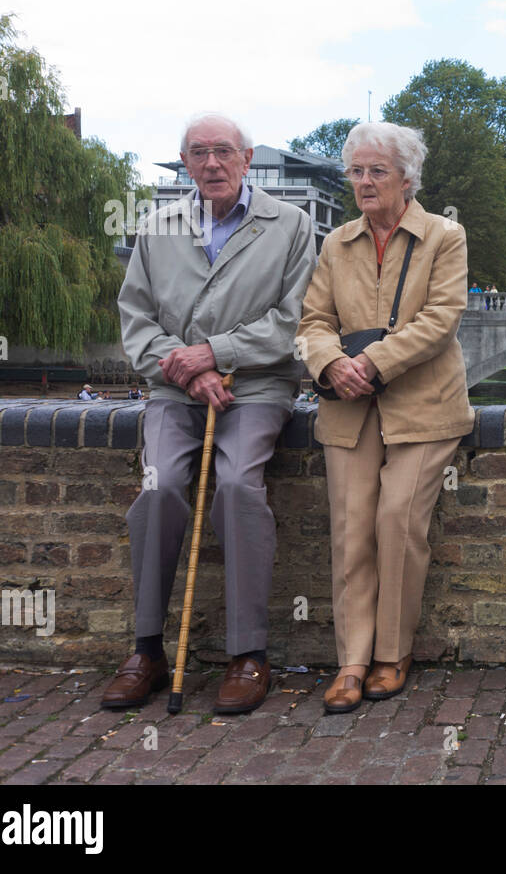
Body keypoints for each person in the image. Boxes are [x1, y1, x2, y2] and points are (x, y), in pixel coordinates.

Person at [104, 113, 316, 714]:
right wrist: (190, 369)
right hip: (175, 390)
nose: (212, 163)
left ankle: (249, 654)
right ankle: (147, 649)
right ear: (185, 162)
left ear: (247, 159)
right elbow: (136, 320)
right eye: (198, 153)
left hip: (254, 387)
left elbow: (293, 319)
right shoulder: (157, 228)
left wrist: (218, 354)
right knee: (161, 486)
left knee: (238, 486)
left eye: (224, 152)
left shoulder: (291, 225)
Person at [299, 121, 474, 715]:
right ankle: (351, 661)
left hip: (425, 404)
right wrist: (330, 364)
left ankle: (392, 653)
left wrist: (369, 361)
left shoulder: (444, 236)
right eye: (356, 171)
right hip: (349, 408)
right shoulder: (336, 243)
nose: (365, 182)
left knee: (397, 519)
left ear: (407, 178)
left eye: (377, 171)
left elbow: (441, 318)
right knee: (351, 527)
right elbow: (312, 324)